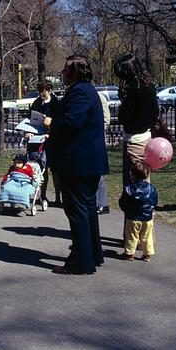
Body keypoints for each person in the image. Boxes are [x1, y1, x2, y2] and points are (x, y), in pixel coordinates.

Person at [43, 55, 108, 275]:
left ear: (76, 71)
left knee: (78, 211)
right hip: (85, 161)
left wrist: (52, 124)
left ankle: (81, 262)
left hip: (79, 161)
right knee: (87, 209)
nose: (62, 73)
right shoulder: (84, 90)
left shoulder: (81, 91)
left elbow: (72, 122)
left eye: (65, 69)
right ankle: (93, 254)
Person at [114, 53, 160, 186]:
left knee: (134, 186)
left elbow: (123, 117)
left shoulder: (134, 90)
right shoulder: (149, 86)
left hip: (134, 141)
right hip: (147, 138)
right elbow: (154, 113)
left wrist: (124, 99)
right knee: (144, 181)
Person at [26, 80, 61, 206]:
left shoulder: (56, 104)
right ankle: (43, 195)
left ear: (49, 90)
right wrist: (29, 132)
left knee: (56, 170)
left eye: (43, 92)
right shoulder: (36, 103)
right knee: (42, 169)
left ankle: (58, 197)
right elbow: (31, 120)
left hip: (53, 140)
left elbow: (60, 122)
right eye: (39, 91)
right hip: (39, 140)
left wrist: (50, 132)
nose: (41, 94)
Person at [118, 161, 158, 261]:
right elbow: (155, 200)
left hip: (133, 217)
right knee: (146, 236)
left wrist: (125, 209)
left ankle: (129, 253)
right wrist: (151, 209)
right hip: (147, 218)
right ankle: (147, 254)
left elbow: (123, 202)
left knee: (131, 236)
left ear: (132, 175)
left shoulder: (128, 189)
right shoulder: (151, 188)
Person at [95, 90, 111, 214]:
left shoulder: (99, 97)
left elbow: (106, 119)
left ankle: (102, 203)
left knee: (97, 173)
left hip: (96, 138)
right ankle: (97, 202)